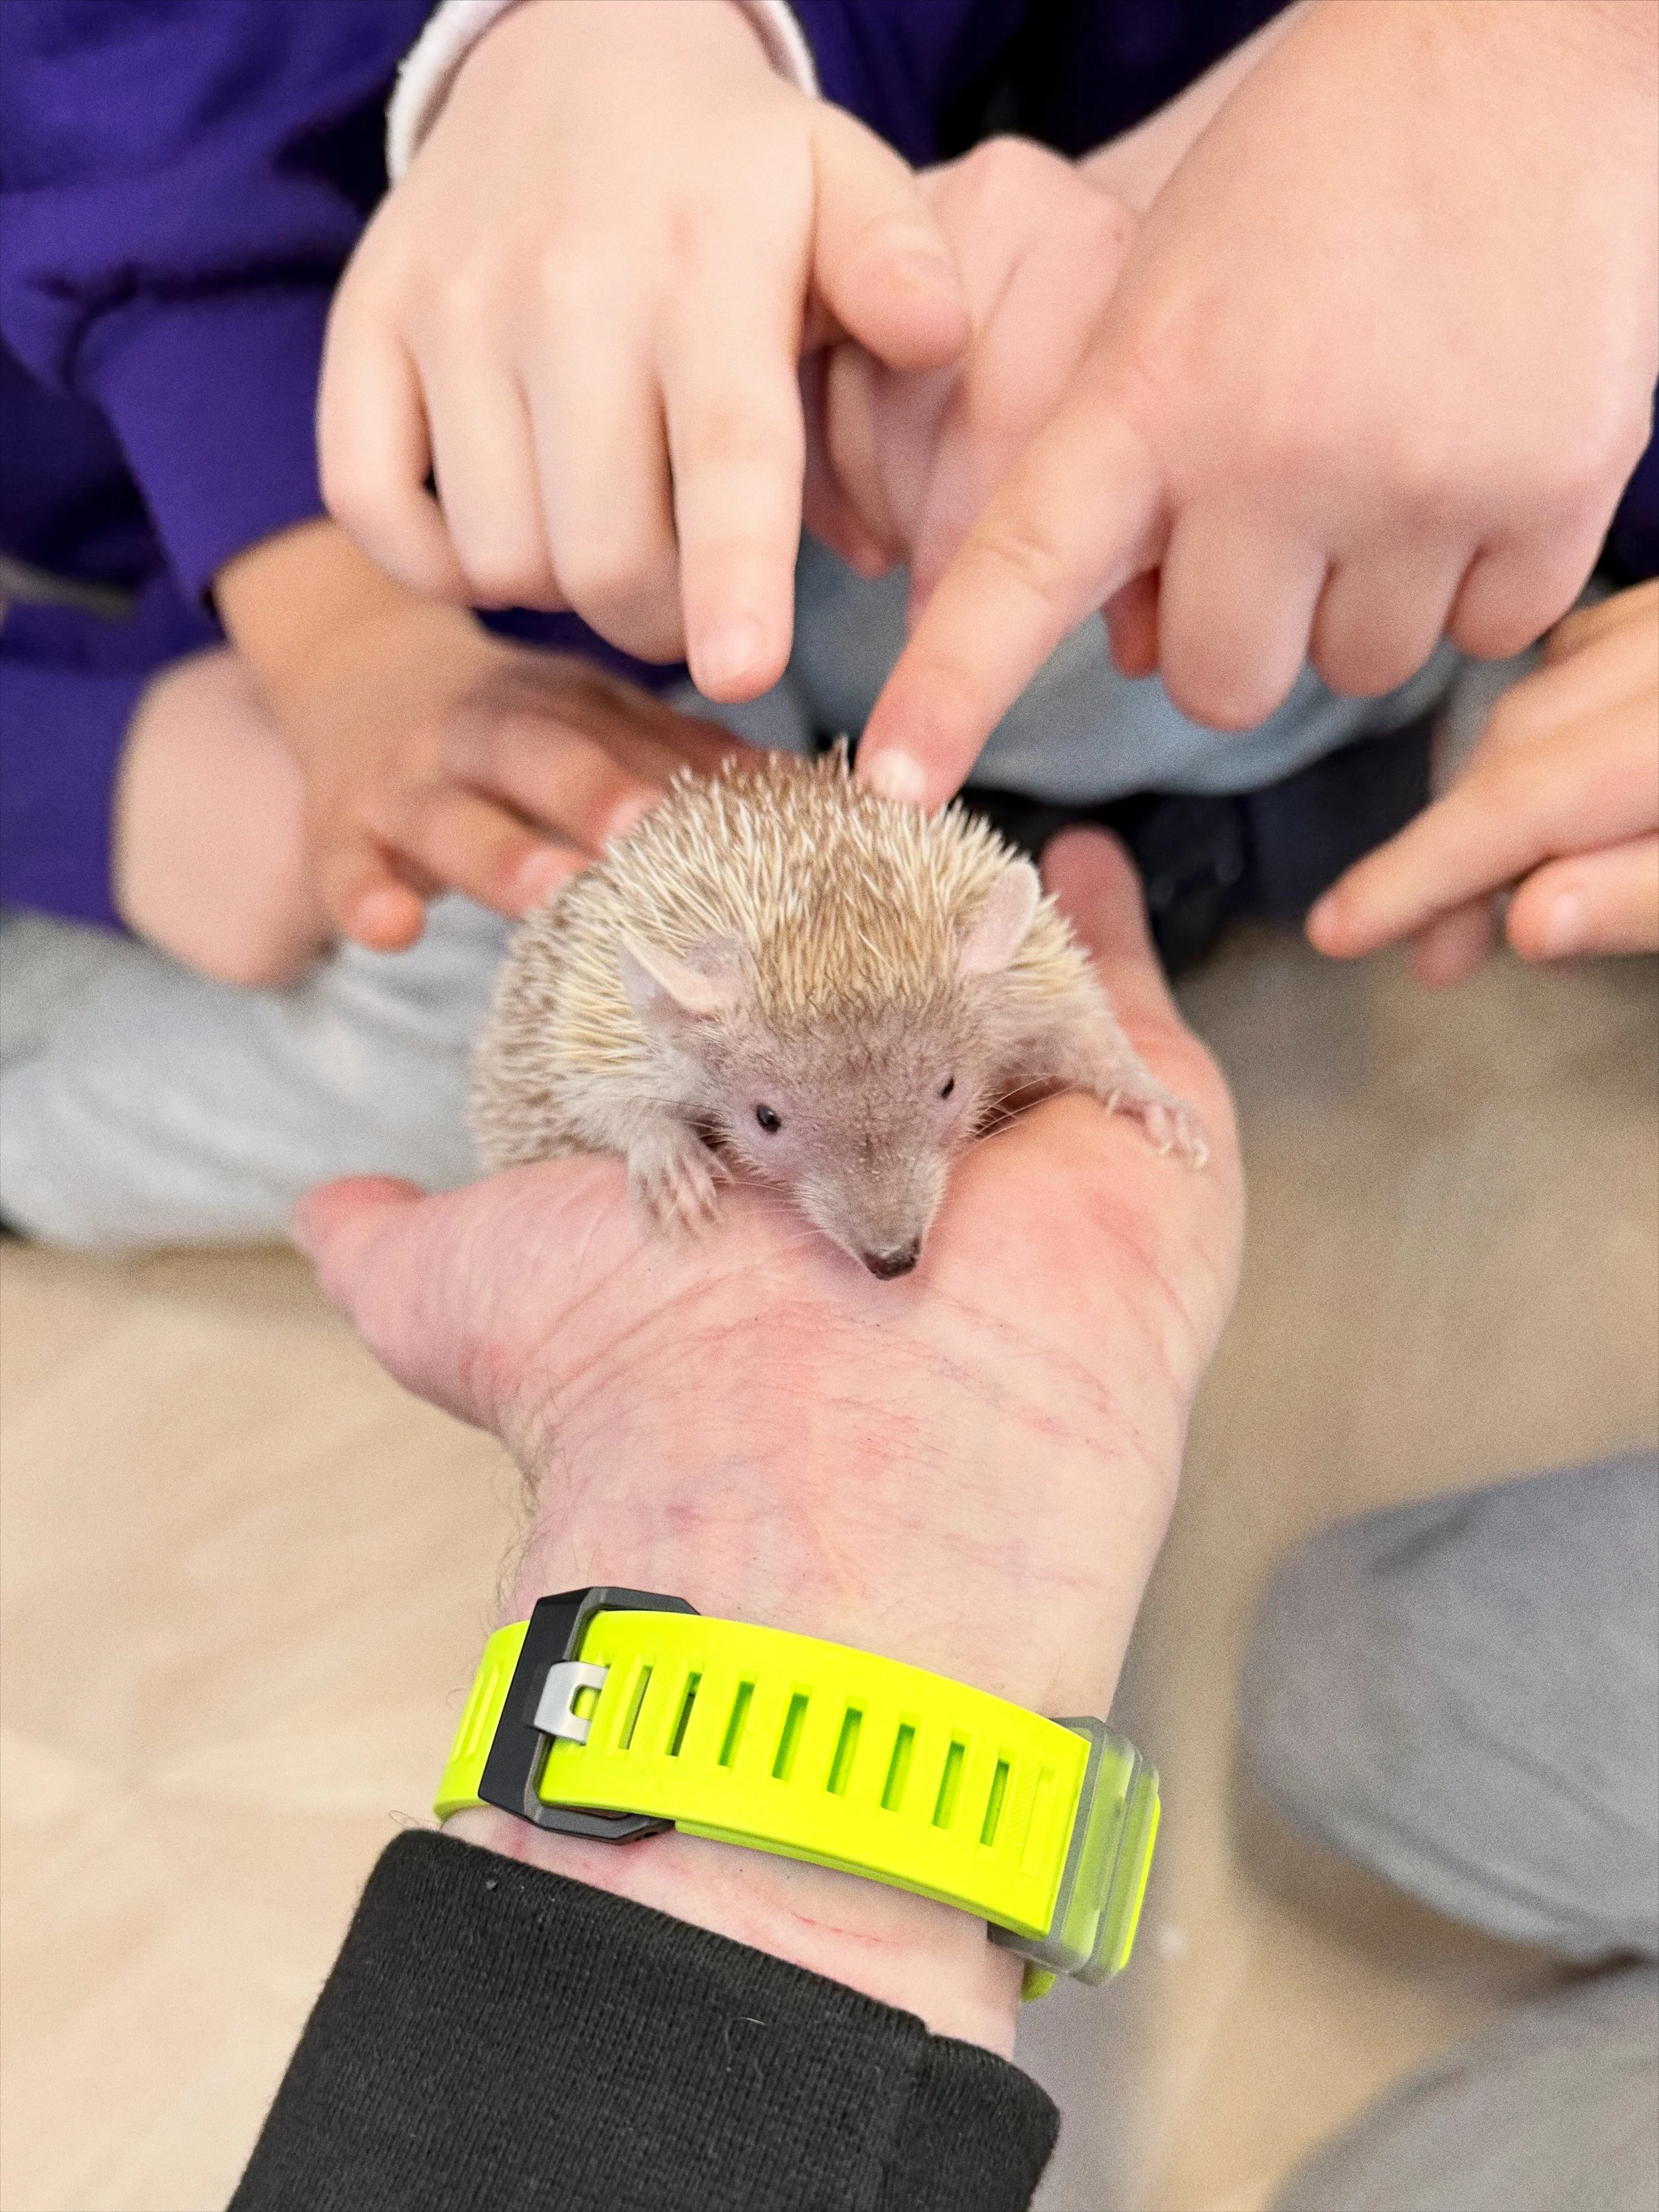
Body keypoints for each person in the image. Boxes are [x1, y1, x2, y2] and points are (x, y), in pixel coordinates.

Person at [228, 831, 1246, 2209]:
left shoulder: (990, 990)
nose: (888, 1226)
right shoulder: (646, 1030)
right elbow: (598, 1078)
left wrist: (1106, 1071)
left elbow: (1057, 1012)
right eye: (774, 1127)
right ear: (683, 1026)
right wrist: (658, 1138)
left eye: (946, 1096)